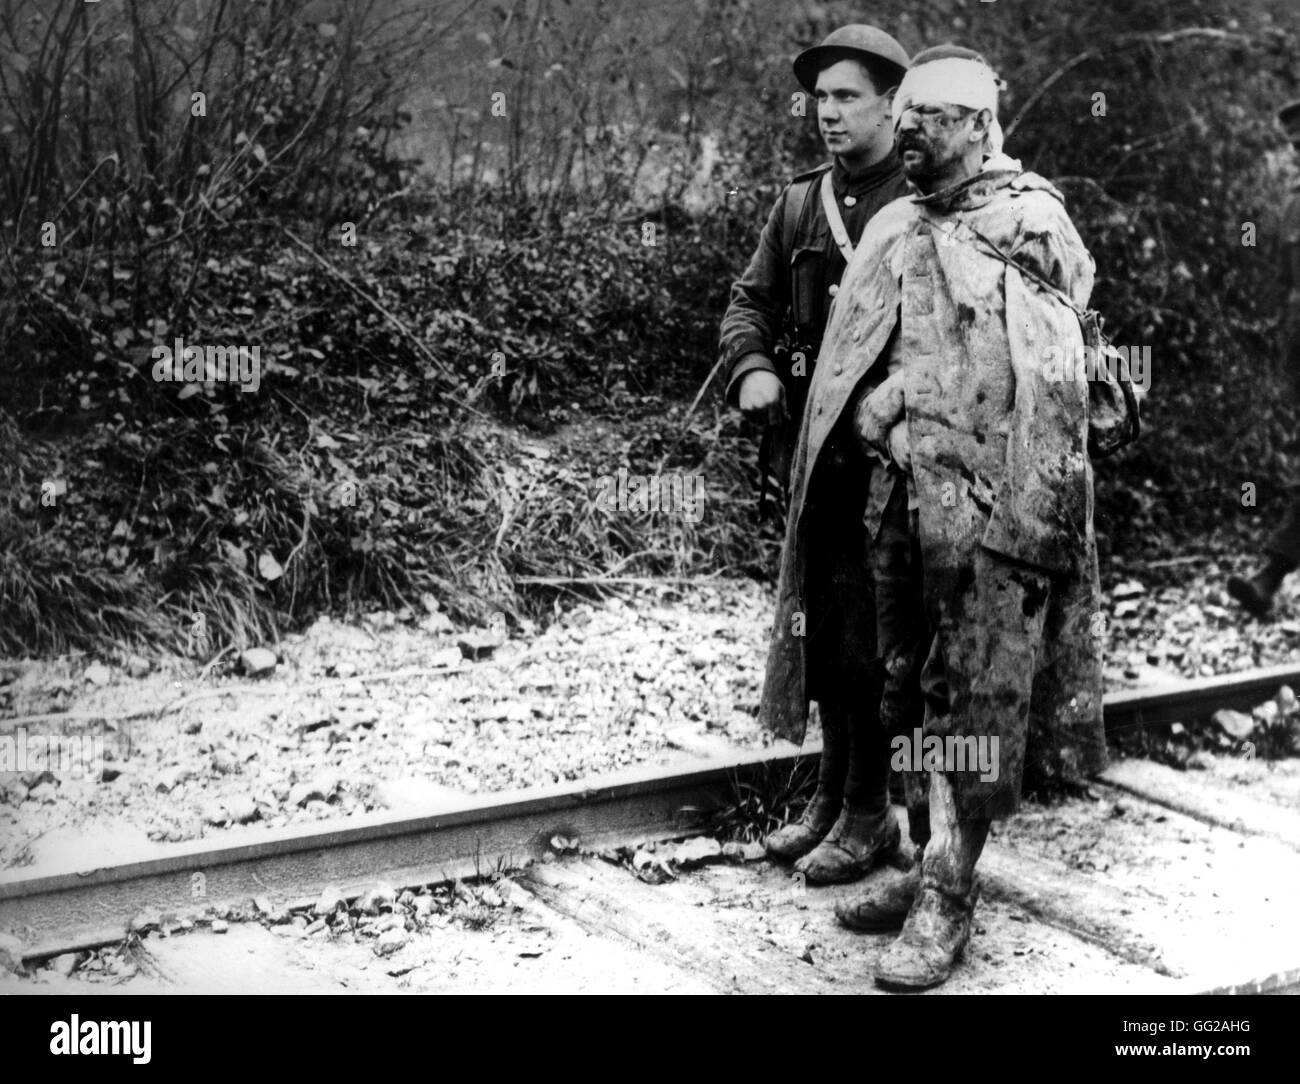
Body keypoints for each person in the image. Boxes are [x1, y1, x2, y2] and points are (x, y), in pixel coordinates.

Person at [774, 45, 1109, 989]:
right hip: (902, 509)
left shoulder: (1029, 221)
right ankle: (925, 860)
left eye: (927, 119)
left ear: (974, 124)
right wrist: (877, 406)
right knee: (906, 685)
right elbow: (864, 351)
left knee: (977, 701)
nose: (907, 134)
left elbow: (1044, 383)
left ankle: (950, 897)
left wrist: (906, 398)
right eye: (904, 117)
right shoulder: (902, 223)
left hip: (995, 520)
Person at [719, 25, 922, 883]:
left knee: (879, 642)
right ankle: (835, 796)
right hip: (812, 465)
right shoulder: (801, 204)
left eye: (846, 97)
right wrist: (754, 367)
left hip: (891, 467)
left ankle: (875, 812)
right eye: (820, 99)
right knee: (826, 628)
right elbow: (748, 302)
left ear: (891, 106)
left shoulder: (919, 205)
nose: (827, 114)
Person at [1227, 99, 1300, 619]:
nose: (1297, 152)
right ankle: (1269, 577)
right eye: (1295, 145)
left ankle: (1271, 575)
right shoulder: (1293, 202)